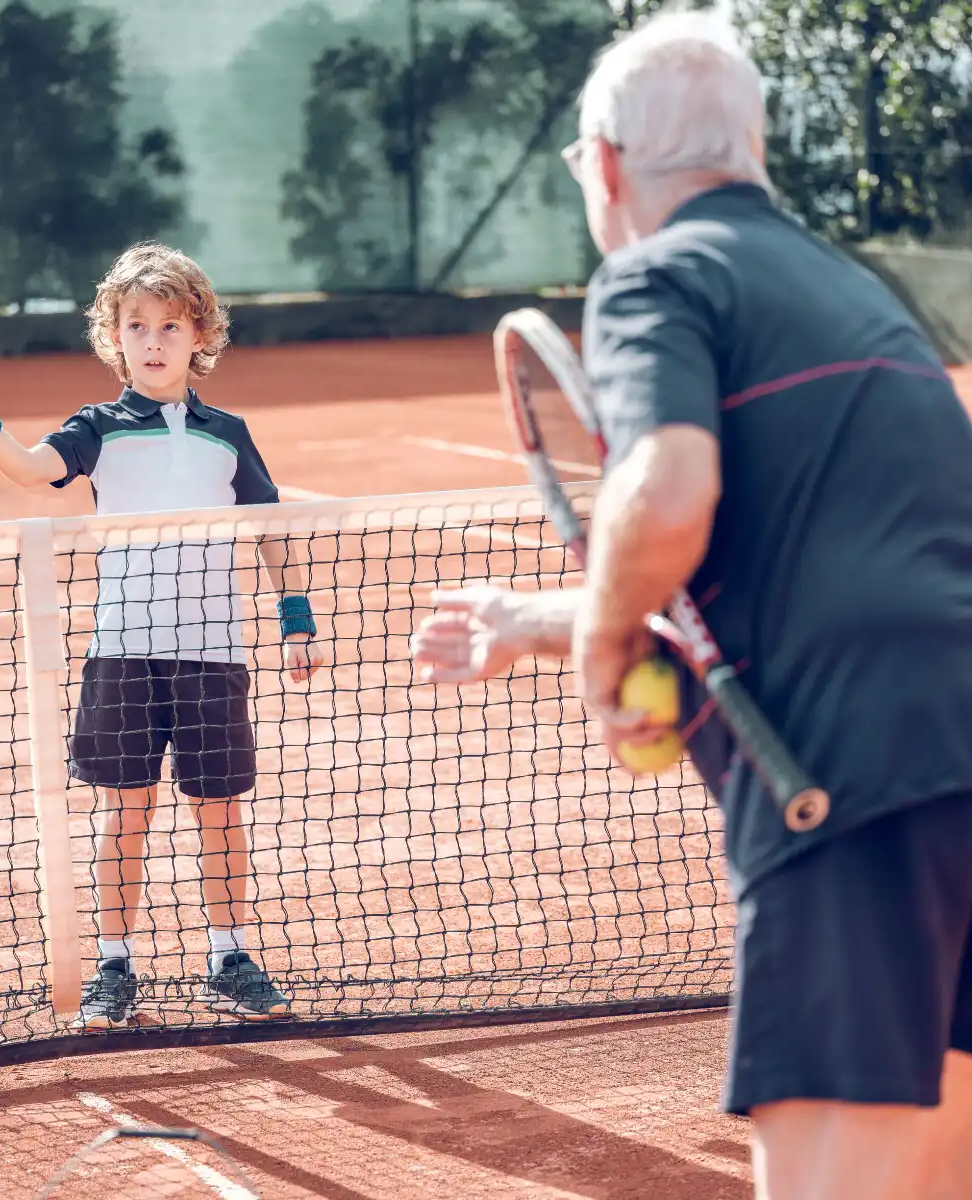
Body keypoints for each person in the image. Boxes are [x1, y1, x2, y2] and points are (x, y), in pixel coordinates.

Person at [410, 10, 972, 1199]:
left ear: (606, 164)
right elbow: (801, 572)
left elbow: (668, 497)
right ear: (753, 152)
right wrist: (532, 620)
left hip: (842, 790)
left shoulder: (655, 275)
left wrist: (605, 651)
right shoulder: (867, 304)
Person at [0, 242, 322, 1028]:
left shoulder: (228, 434)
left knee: (220, 812)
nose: (155, 340)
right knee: (125, 811)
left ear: (199, 335)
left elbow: (272, 529)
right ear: (115, 337)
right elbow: (31, 469)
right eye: (138, 325)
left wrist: (295, 618)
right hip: (124, 654)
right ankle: (113, 966)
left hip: (214, 653)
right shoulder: (98, 427)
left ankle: (229, 955)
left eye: (171, 325)